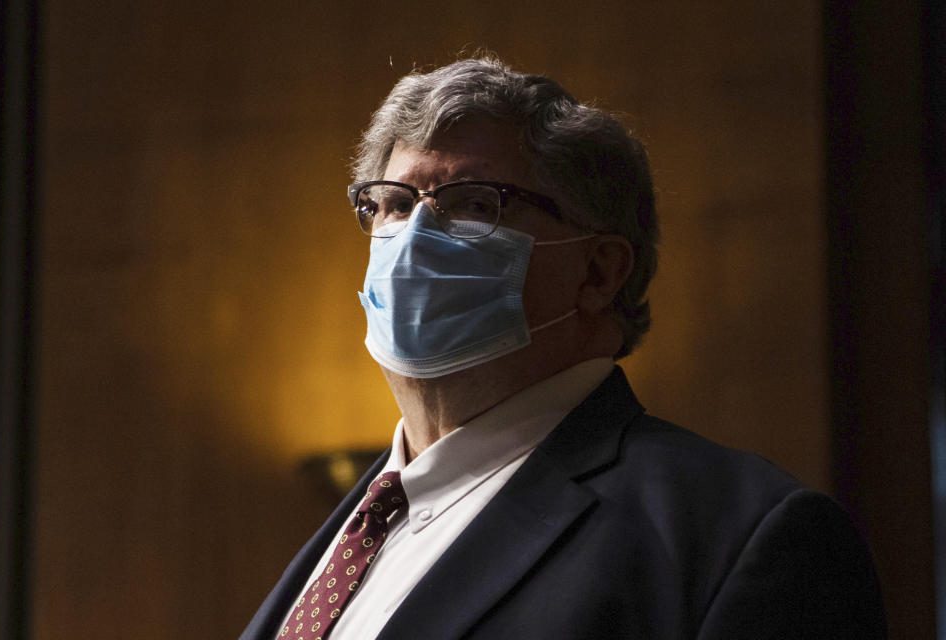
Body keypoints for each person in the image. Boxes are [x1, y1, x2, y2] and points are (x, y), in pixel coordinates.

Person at [241, 57, 885, 640]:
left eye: (473, 203)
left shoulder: (740, 536)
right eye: (393, 203)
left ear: (599, 272)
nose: (413, 238)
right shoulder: (364, 521)